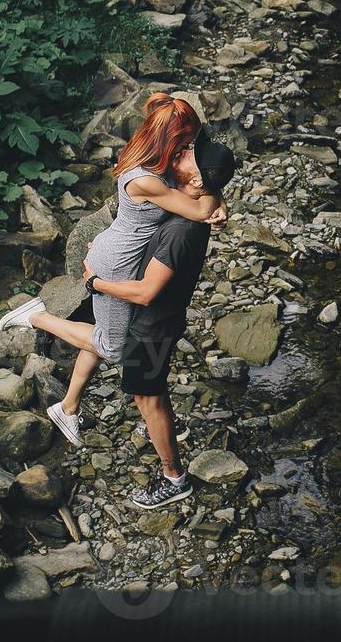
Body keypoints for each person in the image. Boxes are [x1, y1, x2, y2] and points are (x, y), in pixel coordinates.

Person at [0, 94, 225, 447]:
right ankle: (38, 316)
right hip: (117, 264)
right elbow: (197, 209)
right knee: (114, 346)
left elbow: (195, 190)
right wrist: (215, 195)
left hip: (124, 253)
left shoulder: (154, 159)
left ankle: (68, 407)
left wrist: (215, 197)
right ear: (169, 140)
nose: (188, 149)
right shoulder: (146, 179)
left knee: (107, 331)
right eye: (184, 143)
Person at [82, 128, 234, 509]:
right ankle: (165, 426)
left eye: (187, 155)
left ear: (196, 179)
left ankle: (173, 477)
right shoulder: (188, 202)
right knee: (152, 394)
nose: (180, 153)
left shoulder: (182, 231)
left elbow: (146, 292)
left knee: (146, 396)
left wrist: (96, 283)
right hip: (161, 322)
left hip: (150, 328)